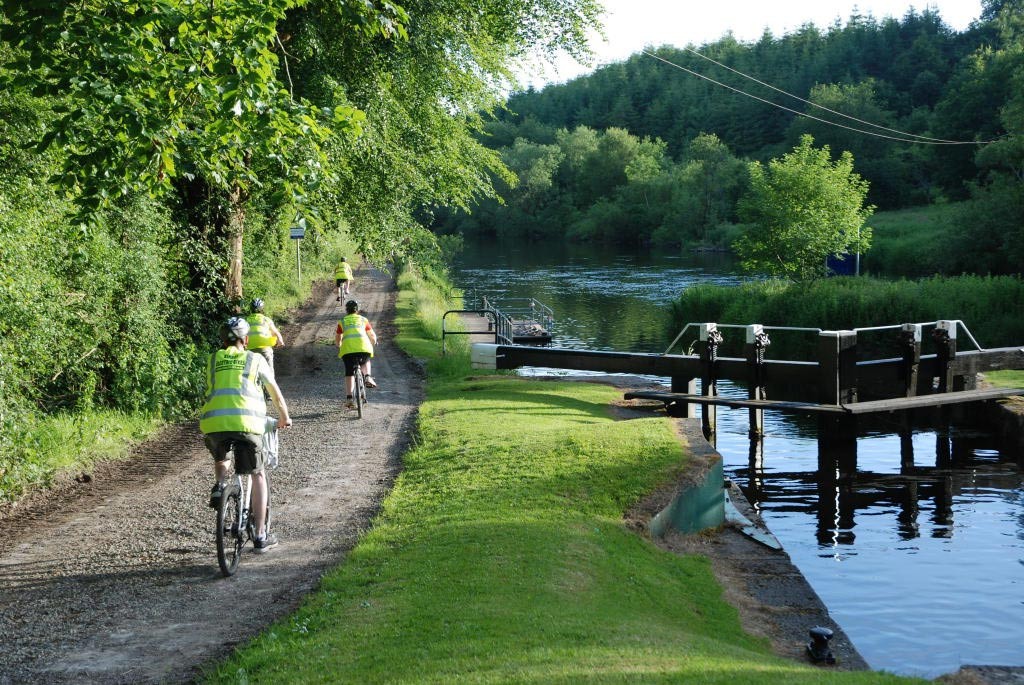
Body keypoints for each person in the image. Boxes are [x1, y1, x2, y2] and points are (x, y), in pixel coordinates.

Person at [201, 316, 292, 552]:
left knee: (222, 455)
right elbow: (275, 393)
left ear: (222, 341)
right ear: (246, 340)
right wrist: (284, 418)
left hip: (213, 423)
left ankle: (220, 485)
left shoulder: (212, 360)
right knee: (257, 474)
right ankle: (261, 536)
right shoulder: (255, 359)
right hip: (248, 424)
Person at [335, 299, 378, 408]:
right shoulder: (363, 320)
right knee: (366, 360)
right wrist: (373, 343)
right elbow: (372, 335)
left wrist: (339, 345)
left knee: (349, 373)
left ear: (346, 310)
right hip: (363, 348)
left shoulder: (342, 321)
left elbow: (338, 338)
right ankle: (367, 376)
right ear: (357, 310)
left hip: (347, 350)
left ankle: (349, 398)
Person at [245, 298, 285, 372]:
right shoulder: (266, 319)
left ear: (251, 309)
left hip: (250, 349)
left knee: (250, 371)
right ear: (262, 309)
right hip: (264, 348)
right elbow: (275, 332)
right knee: (269, 371)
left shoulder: (246, 320)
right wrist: (280, 341)